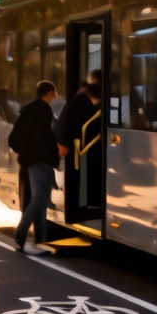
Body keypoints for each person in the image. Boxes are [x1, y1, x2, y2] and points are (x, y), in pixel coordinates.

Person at [9, 80, 60, 253]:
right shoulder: (44, 110)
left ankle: (40, 238)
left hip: (31, 161)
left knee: (41, 200)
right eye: (53, 93)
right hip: (41, 160)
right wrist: (55, 149)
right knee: (40, 199)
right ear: (49, 92)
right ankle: (20, 233)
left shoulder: (29, 109)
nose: (55, 96)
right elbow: (44, 136)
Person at [55, 70, 102, 216]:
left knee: (83, 174)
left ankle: (85, 204)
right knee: (76, 173)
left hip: (84, 146)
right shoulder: (81, 99)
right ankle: (77, 207)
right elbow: (66, 122)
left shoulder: (83, 98)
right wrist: (63, 143)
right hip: (76, 145)